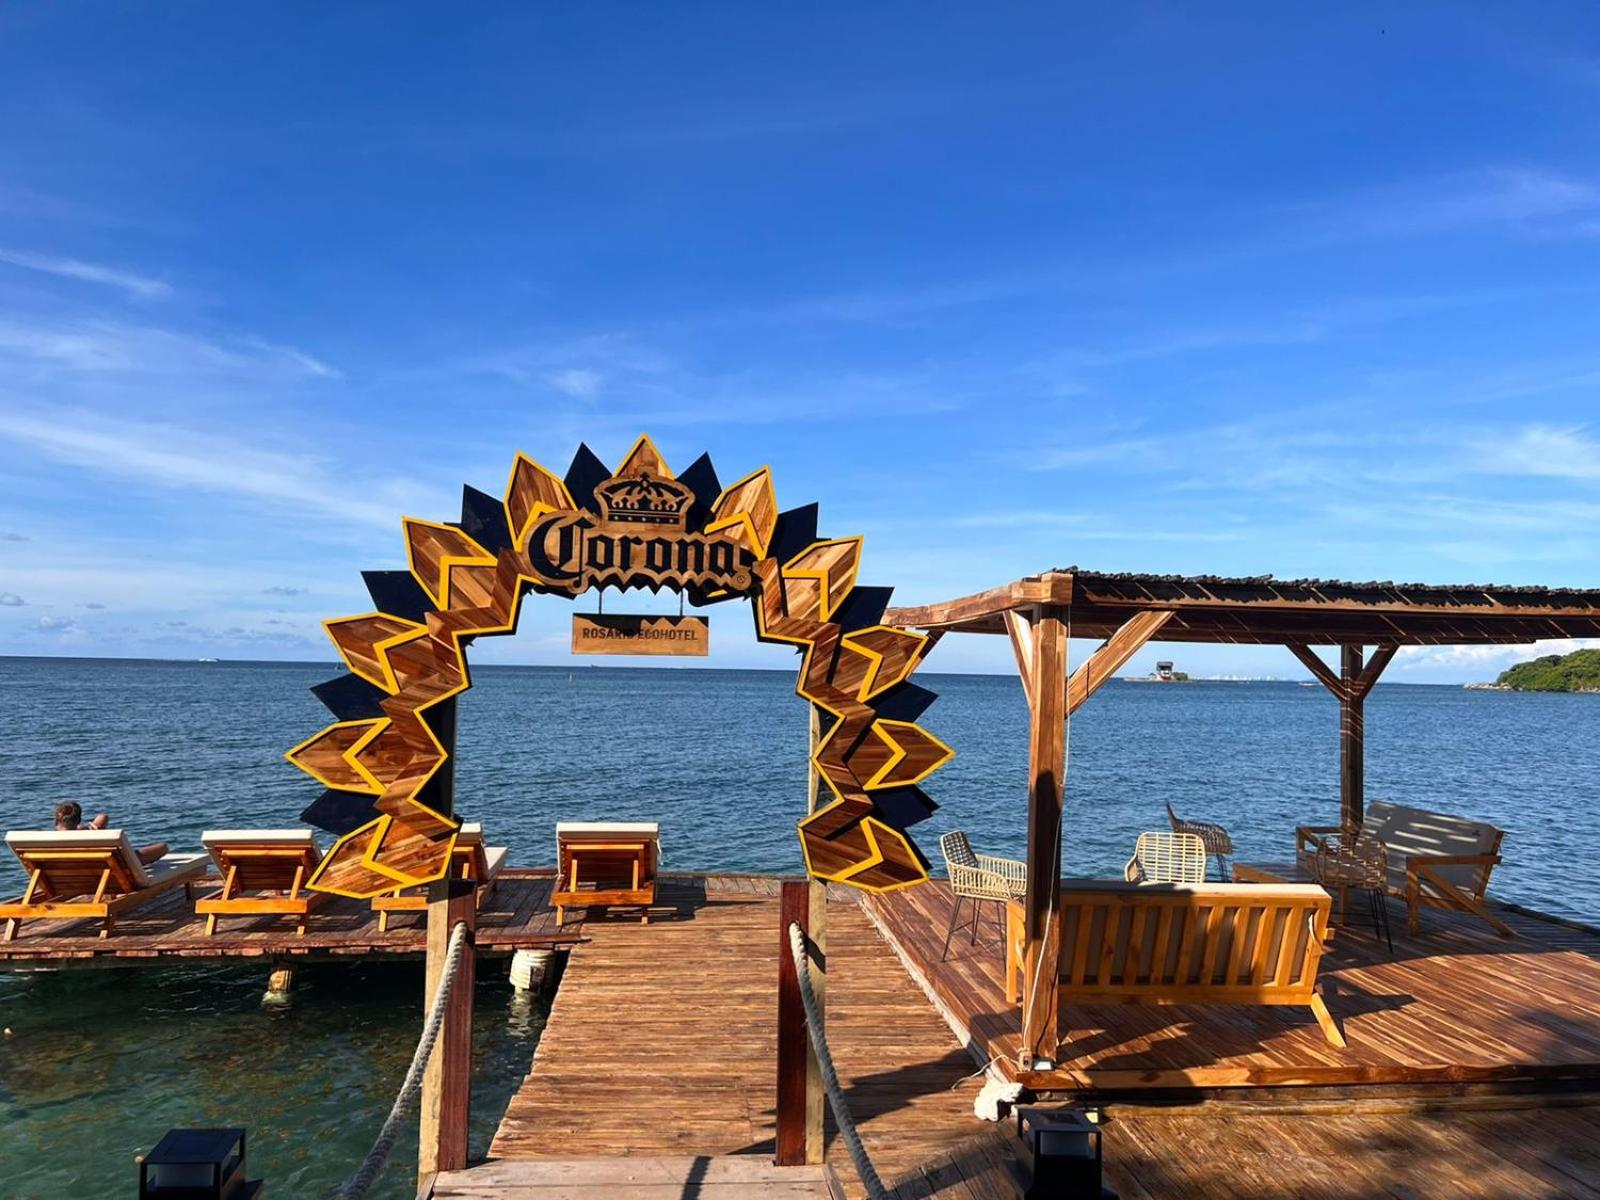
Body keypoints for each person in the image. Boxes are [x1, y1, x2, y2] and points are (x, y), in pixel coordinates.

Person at [53, 801, 167, 865]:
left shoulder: (48, 840)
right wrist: (89, 829)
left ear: (56, 821)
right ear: (78, 820)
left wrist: (86, 829)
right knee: (163, 847)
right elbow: (103, 817)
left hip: (70, 876)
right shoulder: (85, 836)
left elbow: (102, 818)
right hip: (113, 868)